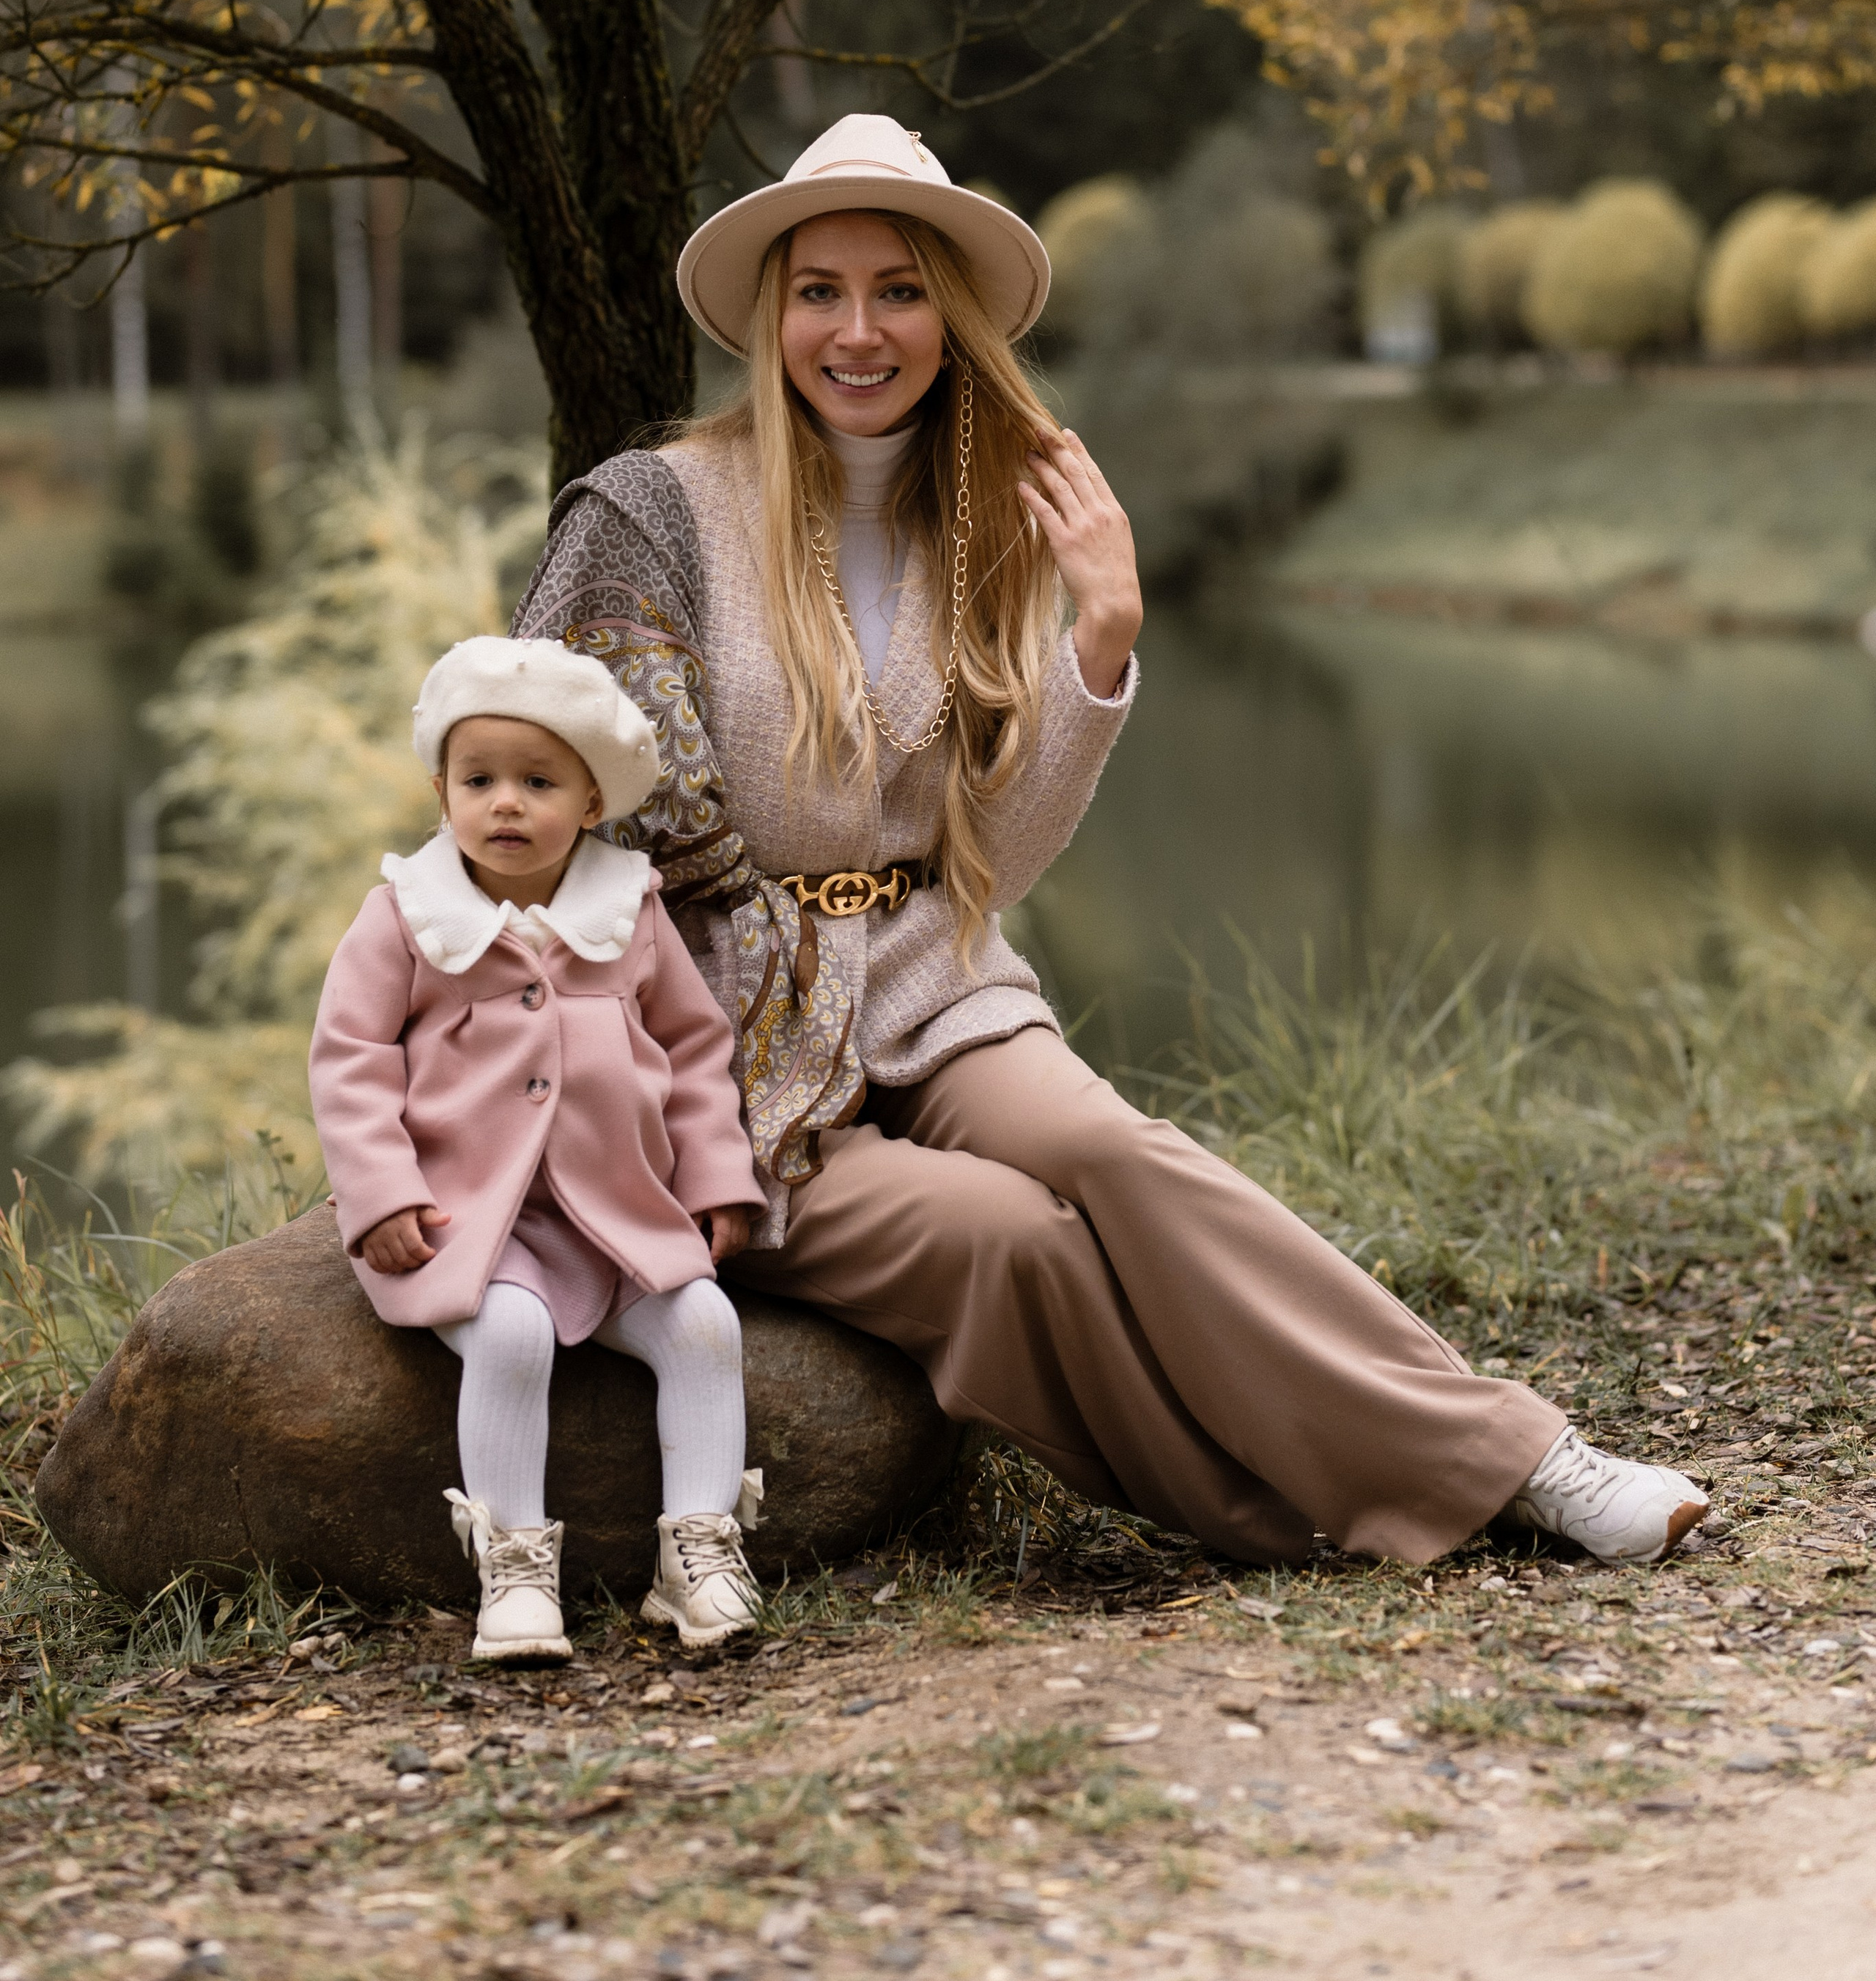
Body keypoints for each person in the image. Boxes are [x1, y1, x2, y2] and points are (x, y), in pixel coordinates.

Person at [511, 113, 1709, 1571]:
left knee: (1109, 1151)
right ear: (770, 314)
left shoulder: (994, 514)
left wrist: (1100, 640)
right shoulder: (655, 515)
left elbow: (984, 870)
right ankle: (1286, 1513)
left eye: (896, 289)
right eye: (818, 290)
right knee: (1002, 1239)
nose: (858, 329)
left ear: (947, 316)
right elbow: (559, 812)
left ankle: (1523, 1458)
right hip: (718, 1060)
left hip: (924, 981)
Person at [308, 635, 768, 1659]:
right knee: (509, 1336)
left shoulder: (628, 913)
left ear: (593, 802)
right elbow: (350, 1061)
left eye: (537, 781)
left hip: (617, 1213)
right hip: (469, 1221)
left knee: (702, 1323)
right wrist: (379, 1196)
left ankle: (697, 1550)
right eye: (479, 780)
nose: (505, 804)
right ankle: (514, 1568)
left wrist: (714, 1175)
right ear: (442, 791)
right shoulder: (409, 918)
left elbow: (694, 1052)